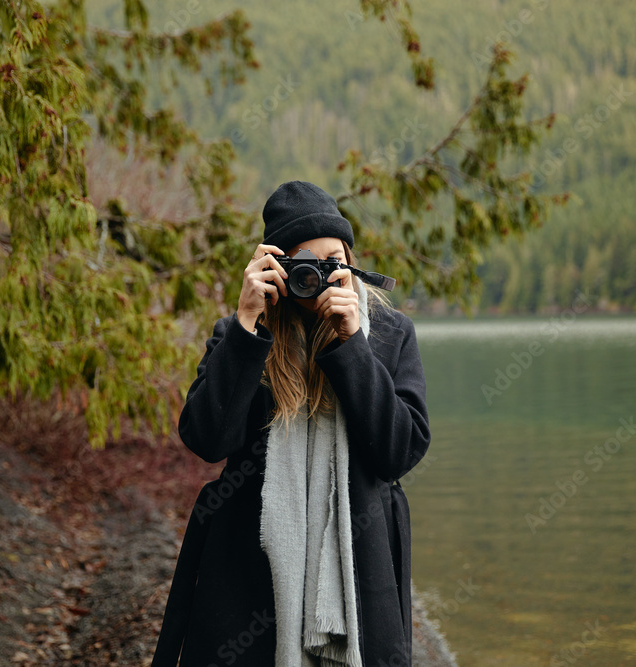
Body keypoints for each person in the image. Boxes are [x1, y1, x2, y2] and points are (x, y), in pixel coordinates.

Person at [152, 180, 430, 666]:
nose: (322, 276)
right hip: (248, 571)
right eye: (307, 264)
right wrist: (244, 325)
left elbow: (399, 452)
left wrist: (352, 348)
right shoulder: (242, 333)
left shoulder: (387, 333)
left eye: (334, 261)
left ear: (350, 258)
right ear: (277, 268)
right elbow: (206, 439)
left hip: (360, 565)